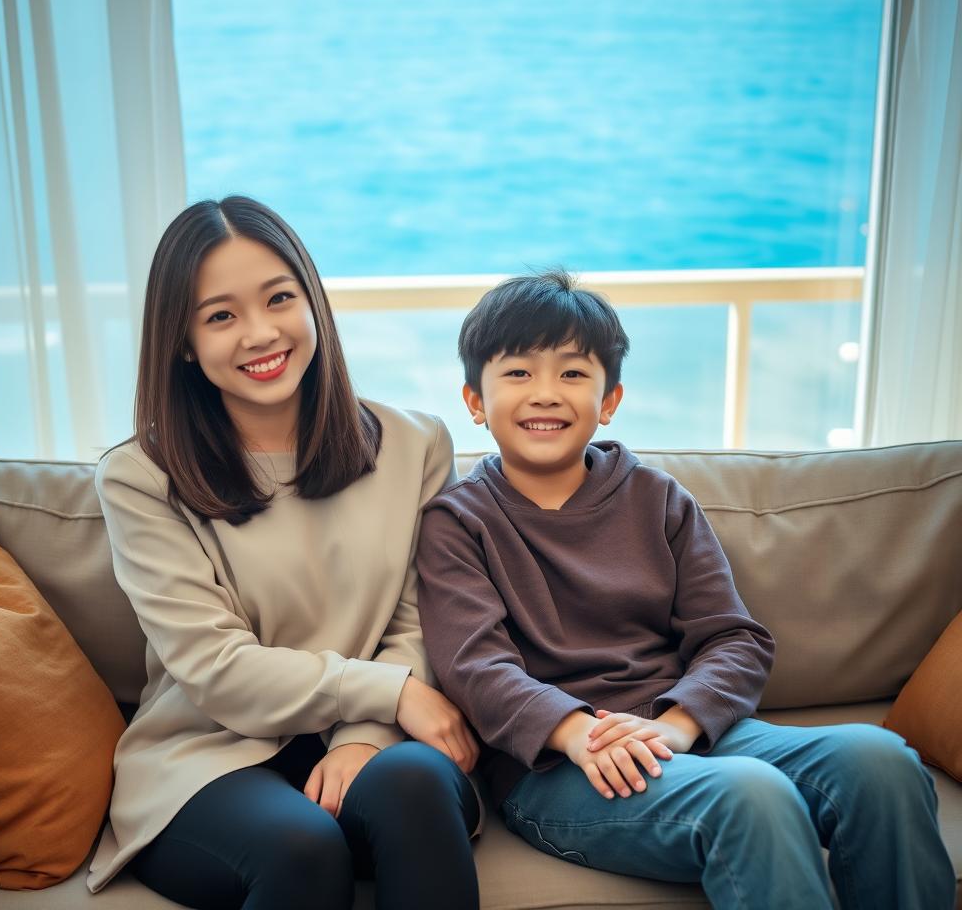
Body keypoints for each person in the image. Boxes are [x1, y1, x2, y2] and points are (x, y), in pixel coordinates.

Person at [415, 269, 955, 910]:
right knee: (751, 795)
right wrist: (577, 734)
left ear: (609, 400)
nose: (546, 394)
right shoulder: (457, 522)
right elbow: (474, 667)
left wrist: (676, 727)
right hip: (558, 769)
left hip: (686, 733)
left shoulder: (658, 498)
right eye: (518, 374)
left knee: (881, 761)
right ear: (475, 401)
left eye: (572, 373)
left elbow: (735, 638)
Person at [88, 196, 481, 910]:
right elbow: (215, 668)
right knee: (303, 848)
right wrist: (390, 692)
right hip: (208, 757)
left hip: (378, 741)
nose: (260, 333)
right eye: (221, 316)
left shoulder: (416, 445)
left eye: (279, 299)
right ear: (182, 340)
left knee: (415, 784)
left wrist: (366, 731)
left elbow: (425, 621)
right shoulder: (138, 478)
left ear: (314, 304)